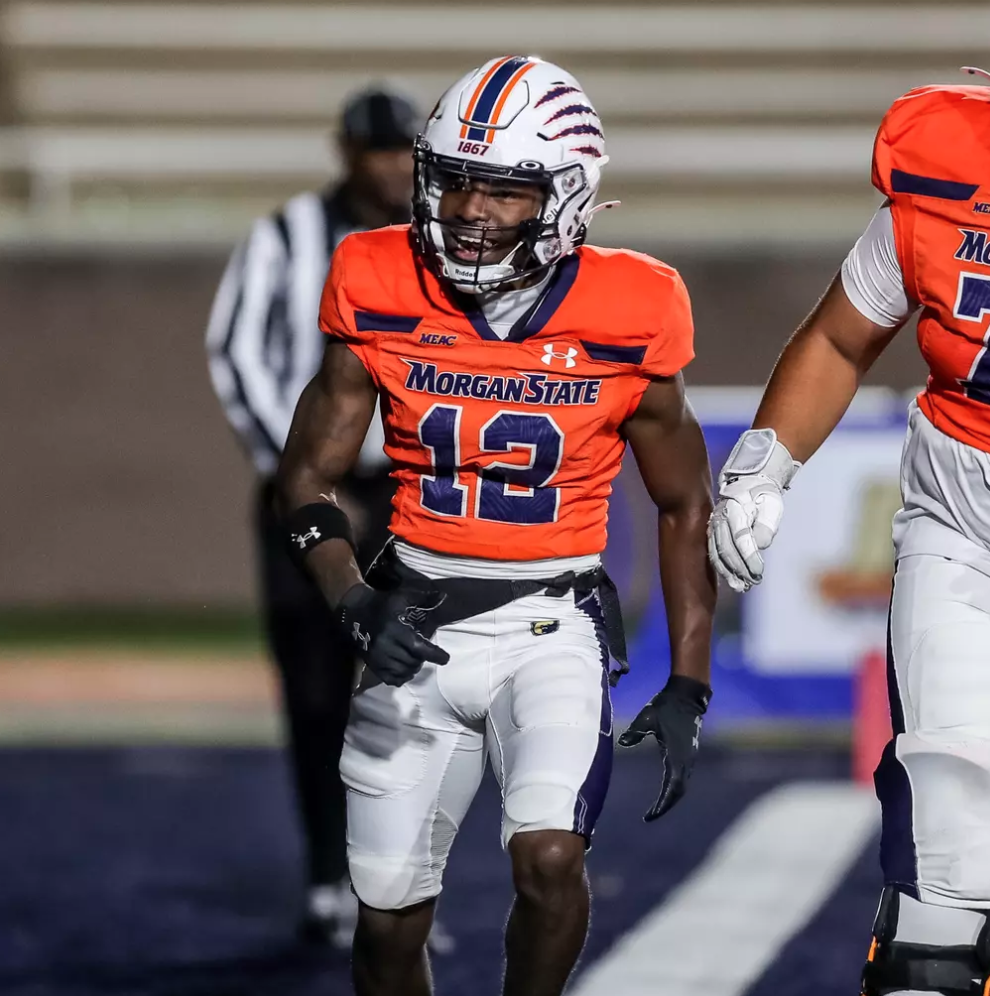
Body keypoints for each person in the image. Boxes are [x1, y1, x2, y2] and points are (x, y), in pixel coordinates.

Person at [275, 55, 717, 996]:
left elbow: (683, 503)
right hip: (416, 617)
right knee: (388, 913)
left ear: (566, 197)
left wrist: (689, 678)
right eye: (457, 182)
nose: (472, 211)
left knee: (551, 858)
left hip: (549, 624)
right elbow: (306, 476)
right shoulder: (377, 276)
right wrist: (350, 595)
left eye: (505, 191)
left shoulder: (632, 307)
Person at [708, 7, 990, 994]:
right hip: (967, 529)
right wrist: (764, 460)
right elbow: (841, 337)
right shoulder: (945, 170)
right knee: (941, 912)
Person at [205, 85, 438, 948]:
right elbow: (236, 351)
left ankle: (400, 885)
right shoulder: (285, 235)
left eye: (400, 150)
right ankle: (324, 875)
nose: (388, 167)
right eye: (375, 150)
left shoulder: (437, 237)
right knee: (312, 692)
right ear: (346, 153)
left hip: (410, 492)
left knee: (416, 691)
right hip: (305, 490)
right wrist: (300, 470)